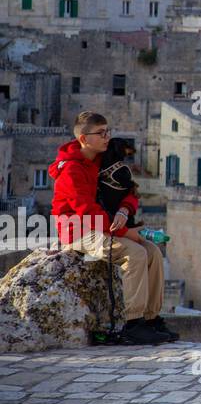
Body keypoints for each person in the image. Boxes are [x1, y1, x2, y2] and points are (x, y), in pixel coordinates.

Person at [50, 111, 176, 345]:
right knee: (135, 253)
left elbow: (130, 190)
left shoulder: (103, 158)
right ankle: (132, 323)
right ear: (85, 139)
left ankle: (151, 319)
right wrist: (126, 233)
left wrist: (125, 210)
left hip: (105, 226)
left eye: (108, 131)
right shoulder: (71, 171)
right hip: (78, 230)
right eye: (101, 133)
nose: (107, 137)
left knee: (153, 253)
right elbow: (87, 213)